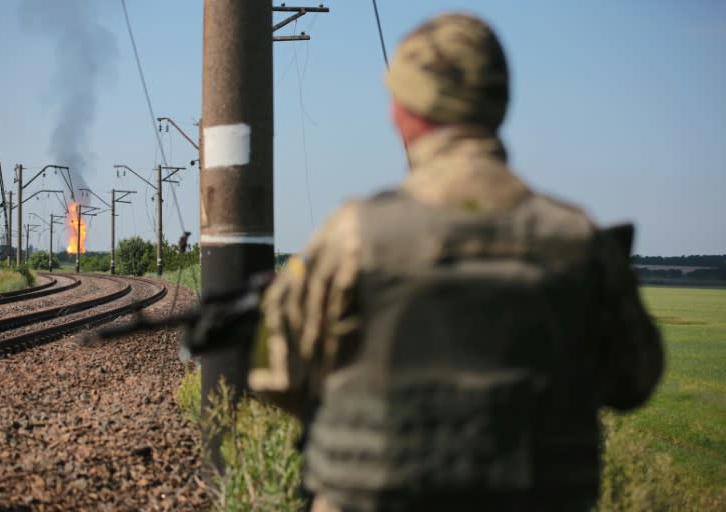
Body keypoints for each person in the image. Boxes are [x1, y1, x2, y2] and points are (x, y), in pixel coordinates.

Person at [249, 12, 663, 512]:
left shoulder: (355, 235)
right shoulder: (577, 238)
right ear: (498, 104)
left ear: (405, 112)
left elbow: (276, 377)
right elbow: (635, 379)